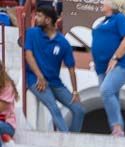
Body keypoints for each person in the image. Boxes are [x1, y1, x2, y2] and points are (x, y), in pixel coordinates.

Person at [24, 4, 84, 134]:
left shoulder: (63, 42)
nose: (36, 18)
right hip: (36, 80)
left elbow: (71, 68)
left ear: (48, 20)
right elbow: (28, 55)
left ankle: (73, 138)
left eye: (39, 16)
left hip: (55, 83)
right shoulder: (31, 33)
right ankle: (66, 138)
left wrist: (75, 91)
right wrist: (39, 76)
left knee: (79, 110)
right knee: (54, 108)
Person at [91, 0, 125, 136]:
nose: (101, 2)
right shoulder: (103, 21)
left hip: (120, 64)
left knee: (106, 90)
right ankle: (117, 129)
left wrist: (115, 57)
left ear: (112, 4)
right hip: (102, 68)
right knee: (111, 95)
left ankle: (117, 127)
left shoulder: (120, 19)